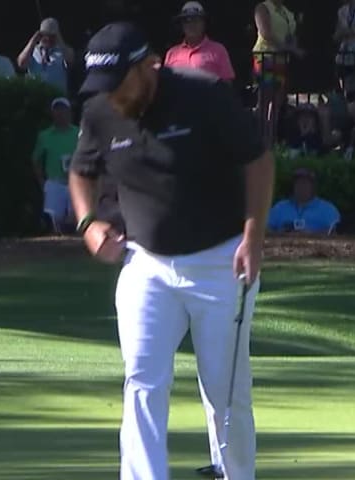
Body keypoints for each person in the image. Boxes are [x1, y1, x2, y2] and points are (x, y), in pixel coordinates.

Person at [69, 22, 275, 480]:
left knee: (225, 390)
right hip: (146, 265)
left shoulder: (204, 95)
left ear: (149, 66)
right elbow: (82, 172)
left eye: (119, 81)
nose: (111, 94)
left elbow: (258, 160)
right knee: (142, 381)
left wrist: (253, 236)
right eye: (103, 85)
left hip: (222, 262)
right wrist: (88, 224)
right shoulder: (100, 110)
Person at [253, 0, 305, 146]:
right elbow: (266, 33)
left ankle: (271, 140)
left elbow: (290, 36)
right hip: (265, 58)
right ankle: (259, 140)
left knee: (277, 103)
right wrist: (291, 49)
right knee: (265, 100)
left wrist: (293, 45)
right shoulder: (263, 7)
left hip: (281, 61)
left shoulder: (287, 12)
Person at [33, 97, 79, 233]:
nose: (60, 113)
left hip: (76, 182)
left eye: (63, 110)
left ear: (69, 112)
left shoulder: (79, 133)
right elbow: (36, 160)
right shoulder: (44, 136)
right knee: (53, 220)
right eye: (57, 110)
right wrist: (43, 183)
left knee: (77, 218)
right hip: (55, 183)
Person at [164, 1, 236, 82]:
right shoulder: (171, 53)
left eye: (196, 20)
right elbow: (166, 83)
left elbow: (227, 83)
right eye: (187, 20)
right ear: (182, 25)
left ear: (204, 23)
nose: (192, 24)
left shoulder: (219, 50)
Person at [268, 169, 340, 234]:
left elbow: (334, 232)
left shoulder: (328, 209)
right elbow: (266, 230)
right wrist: (280, 234)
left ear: (313, 186)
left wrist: (310, 234)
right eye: (298, 183)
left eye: (304, 183)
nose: (301, 186)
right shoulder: (279, 208)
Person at [17, 18, 76, 94]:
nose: (48, 38)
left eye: (52, 36)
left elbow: (70, 60)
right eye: (45, 35)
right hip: (35, 95)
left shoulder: (64, 51)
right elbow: (21, 64)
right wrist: (33, 41)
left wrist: (59, 40)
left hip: (57, 96)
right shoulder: (32, 50)